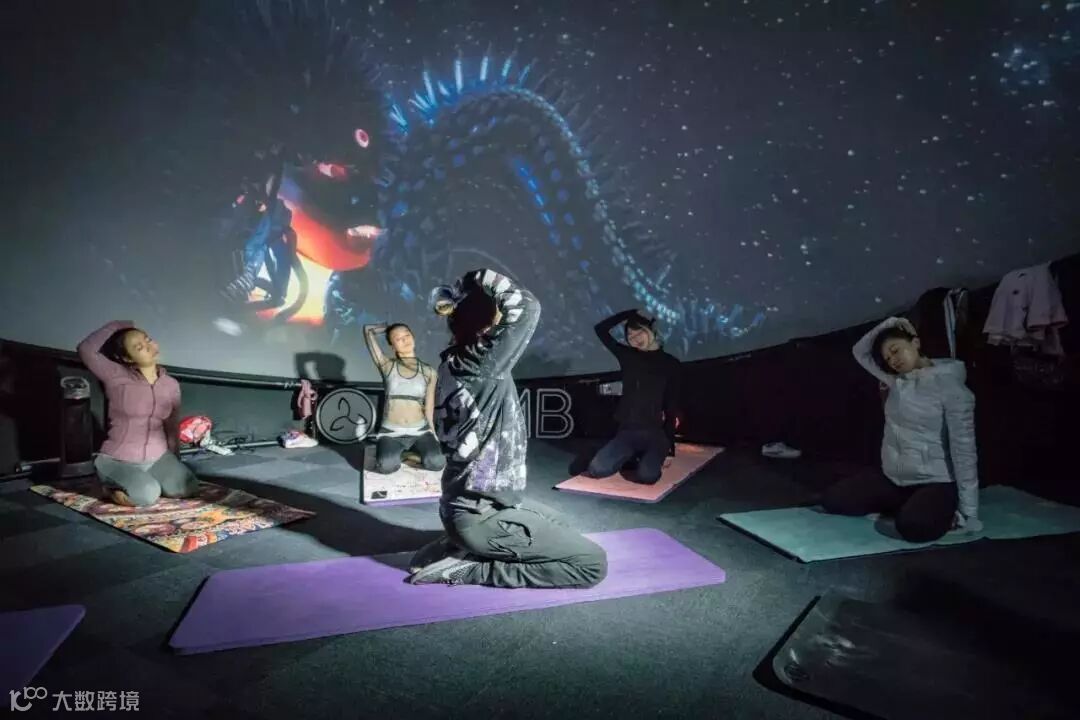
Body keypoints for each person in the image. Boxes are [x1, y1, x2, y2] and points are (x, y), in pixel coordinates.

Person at [407, 269, 608, 588]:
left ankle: (458, 545)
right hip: (480, 516)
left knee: (562, 525)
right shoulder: (482, 362)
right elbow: (528, 306)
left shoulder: (452, 362)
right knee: (591, 564)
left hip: (466, 507)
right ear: (487, 322)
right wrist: (477, 277)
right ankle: (470, 569)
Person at [821, 317, 981, 542]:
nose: (893, 360)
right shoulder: (896, 381)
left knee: (913, 527)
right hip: (895, 479)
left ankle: (931, 509)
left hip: (935, 481)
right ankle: (907, 504)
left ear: (915, 343)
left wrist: (969, 512)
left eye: (896, 350)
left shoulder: (952, 389)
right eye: (887, 358)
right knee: (834, 500)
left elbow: (965, 453)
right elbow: (859, 351)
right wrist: (891, 322)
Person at [76, 321, 199, 506]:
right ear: (127, 358)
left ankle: (145, 480)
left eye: (147, 340)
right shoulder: (115, 375)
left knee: (187, 487)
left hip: (159, 457)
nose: (148, 346)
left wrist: (175, 461)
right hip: (119, 460)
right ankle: (108, 487)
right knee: (147, 495)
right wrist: (119, 325)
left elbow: (171, 426)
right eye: (139, 347)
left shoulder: (171, 384)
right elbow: (85, 349)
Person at [584, 309, 681, 484]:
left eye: (639, 332)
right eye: (630, 335)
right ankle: (631, 456)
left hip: (655, 433)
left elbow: (671, 405)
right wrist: (629, 314)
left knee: (647, 476)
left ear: (652, 331)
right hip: (626, 432)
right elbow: (600, 330)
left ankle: (643, 457)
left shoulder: (670, 363)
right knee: (596, 470)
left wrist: (670, 448)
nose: (635, 338)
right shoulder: (628, 356)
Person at [362, 322, 444, 473]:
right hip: (391, 432)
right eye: (398, 338)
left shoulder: (429, 371)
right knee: (386, 466)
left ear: (413, 337)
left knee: (437, 463)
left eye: (407, 335)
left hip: (420, 431)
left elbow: (429, 405)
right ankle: (401, 453)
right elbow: (367, 331)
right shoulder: (387, 365)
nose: (405, 340)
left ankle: (408, 453)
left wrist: (433, 432)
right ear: (392, 347)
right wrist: (387, 327)